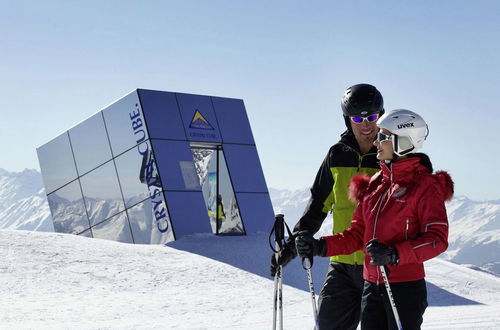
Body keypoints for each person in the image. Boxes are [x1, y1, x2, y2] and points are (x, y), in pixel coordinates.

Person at [295, 109, 454, 329]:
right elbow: (357, 234)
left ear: (403, 142)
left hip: (404, 288)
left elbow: (437, 239)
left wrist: (394, 254)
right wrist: (320, 246)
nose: (376, 142)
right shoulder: (376, 183)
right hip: (371, 285)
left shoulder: (425, 186)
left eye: (383, 136)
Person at [270, 83, 384, 329]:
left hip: (377, 266)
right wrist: (291, 247)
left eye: (372, 116)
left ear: (380, 115)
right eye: (358, 118)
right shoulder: (337, 155)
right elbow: (317, 207)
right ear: (347, 119)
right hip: (342, 264)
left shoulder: (388, 154)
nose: (366, 124)